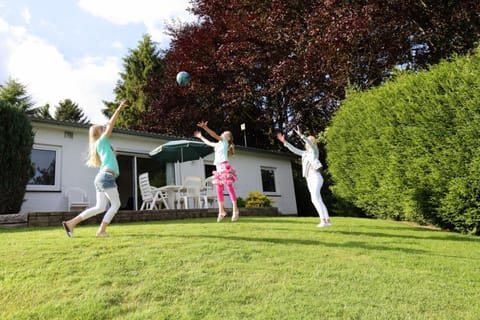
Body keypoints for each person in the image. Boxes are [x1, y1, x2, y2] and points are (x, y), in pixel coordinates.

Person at [62, 101, 128, 237]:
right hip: (106, 177)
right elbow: (111, 124)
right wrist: (119, 109)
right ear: (99, 133)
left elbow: (108, 127)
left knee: (99, 207)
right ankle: (101, 230)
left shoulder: (102, 144)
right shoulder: (102, 141)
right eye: (102, 128)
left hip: (101, 177)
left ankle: (71, 223)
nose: (105, 127)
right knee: (116, 204)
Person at [277, 126, 331, 227]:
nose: (308, 142)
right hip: (308, 178)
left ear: (313, 142)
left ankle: (323, 220)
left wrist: (302, 136)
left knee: (315, 198)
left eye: (310, 141)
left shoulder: (315, 152)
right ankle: (327, 220)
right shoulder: (304, 154)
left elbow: (310, 143)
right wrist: (285, 142)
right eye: (307, 141)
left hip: (316, 177)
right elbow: (294, 150)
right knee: (317, 199)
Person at [194, 121, 239, 222]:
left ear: (228, 138)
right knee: (219, 190)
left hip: (224, 166)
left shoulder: (225, 142)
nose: (223, 134)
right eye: (223, 133)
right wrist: (201, 137)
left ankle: (235, 209)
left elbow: (213, 135)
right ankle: (221, 211)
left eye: (225, 134)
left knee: (229, 188)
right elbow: (209, 143)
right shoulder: (218, 144)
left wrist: (205, 128)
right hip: (218, 168)